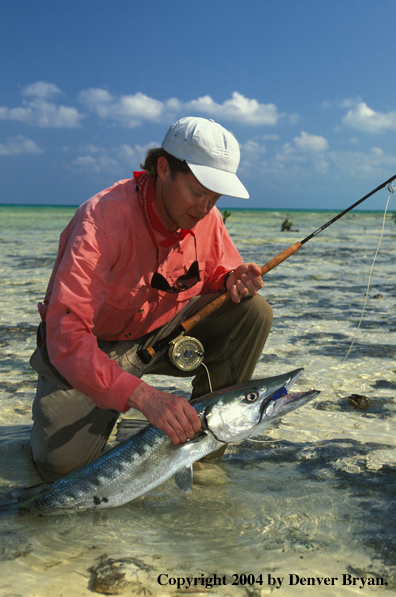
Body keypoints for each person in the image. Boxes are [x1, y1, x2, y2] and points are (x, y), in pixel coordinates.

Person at [25, 117, 273, 481]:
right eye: (198, 192)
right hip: (89, 348)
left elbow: (217, 273)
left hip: (159, 335)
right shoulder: (100, 222)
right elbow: (66, 335)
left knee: (253, 311)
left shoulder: (207, 217)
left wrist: (232, 281)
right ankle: (132, 418)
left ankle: (205, 444)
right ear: (163, 169)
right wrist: (144, 397)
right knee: (59, 469)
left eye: (215, 197)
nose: (206, 207)